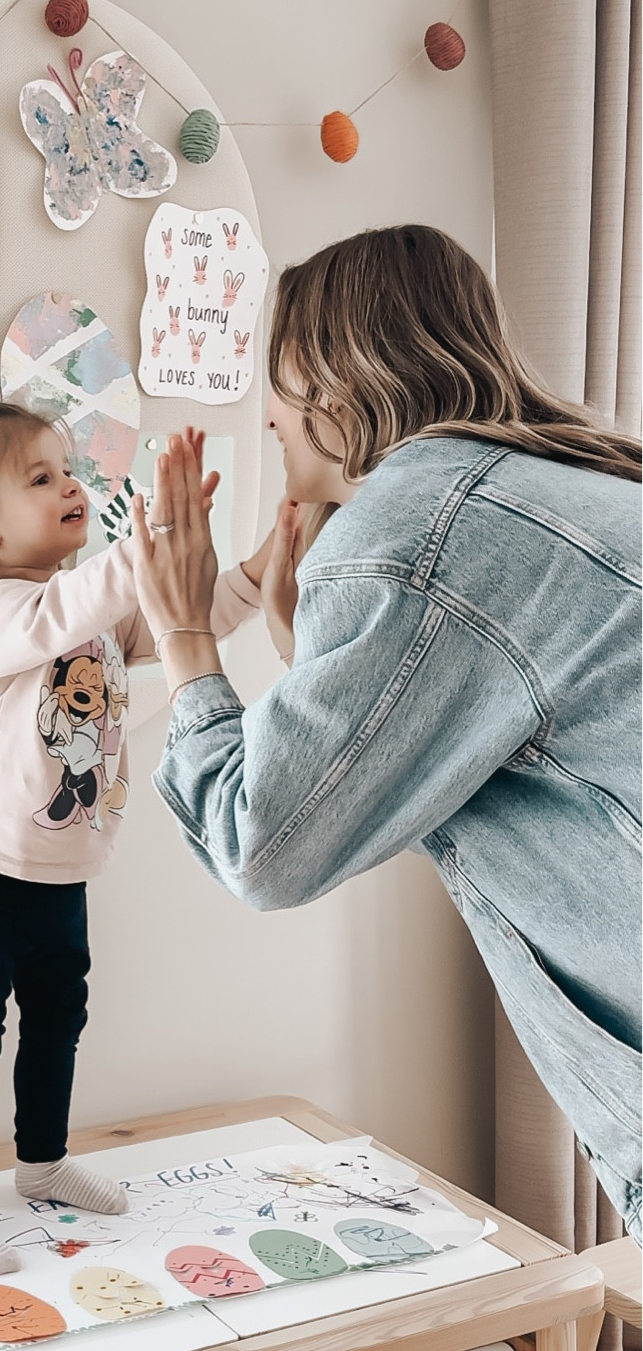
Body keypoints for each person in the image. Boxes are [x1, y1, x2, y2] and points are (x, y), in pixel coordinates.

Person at [129, 225, 642, 1240]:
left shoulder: (413, 536)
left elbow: (263, 845)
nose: (266, 414)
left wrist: (187, 637)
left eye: (272, 376)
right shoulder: (577, 481)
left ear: (326, 376)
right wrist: (304, 656)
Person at [0, 403, 266, 1275]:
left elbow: (184, 615)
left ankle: (42, 1162)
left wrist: (253, 565)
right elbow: (70, 606)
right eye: (41, 477)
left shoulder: (85, 614)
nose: (70, 486)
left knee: (58, 1021)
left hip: (62, 873)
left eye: (68, 470)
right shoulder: (3, 614)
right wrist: (149, 541)